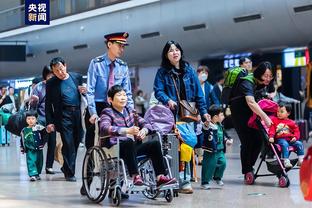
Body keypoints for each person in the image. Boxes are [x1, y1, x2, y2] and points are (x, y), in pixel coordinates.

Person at [153, 40, 210, 194]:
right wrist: (167, 100)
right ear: (166, 55)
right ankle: (177, 179)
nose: (175, 52)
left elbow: (199, 94)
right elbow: (158, 90)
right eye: (171, 50)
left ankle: (184, 179)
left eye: (177, 49)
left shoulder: (189, 71)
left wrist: (204, 112)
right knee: (173, 147)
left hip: (188, 115)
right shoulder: (162, 72)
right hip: (170, 115)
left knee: (188, 144)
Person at [99, 85, 176, 187]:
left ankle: (160, 177)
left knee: (155, 144)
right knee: (128, 142)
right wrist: (127, 131)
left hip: (132, 148)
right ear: (110, 100)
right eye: (119, 95)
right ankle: (135, 176)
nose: (123, 97)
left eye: (124, 95)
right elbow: (105, 128)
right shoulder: (107, 113)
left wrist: (144, 130)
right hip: (116, 149)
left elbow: (147, 124)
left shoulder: (131, 112)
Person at [85, 32, 133, 151]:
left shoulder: (123, 66)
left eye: (123, 46)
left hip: (115, 108)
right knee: (92, 142)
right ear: (109, 44)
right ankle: (91, 168)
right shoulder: (96, 64)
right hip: (97, 106)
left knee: (114, 141)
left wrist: (131, 111)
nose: (122, 49)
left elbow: (127, 92)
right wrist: (93, 113)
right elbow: (90, 90)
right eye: (119, 46)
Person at [230, 61, 274, 182]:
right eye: (266, 76)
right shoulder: (247, 82)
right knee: (247, 142)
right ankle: (247, 170)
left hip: (252, 113)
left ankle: (250, 166)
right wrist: (265, 116)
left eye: (270, 76)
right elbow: (250, 102)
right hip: (239, 115)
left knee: (259, 140)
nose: (268, 79)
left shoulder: (263, 84)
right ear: (259, 74)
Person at [45, 57, 86, 182]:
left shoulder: (77, 77)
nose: (59, 73)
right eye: (56, 71)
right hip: (63, 115)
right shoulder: (51, 83)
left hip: (77, 113)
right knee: (68, 144)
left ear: (65, 66)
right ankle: (70, 173)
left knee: (77, 140)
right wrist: (50, 122)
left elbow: (85, 93)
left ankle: (65, 166)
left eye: (61, 69)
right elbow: (48, 104)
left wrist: (84, 91)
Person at [30, 66, 56, 174]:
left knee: (52, 143)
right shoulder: (39, 87)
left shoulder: (57, 85)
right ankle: (36, 165)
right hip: (41, 119)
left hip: (53, 119)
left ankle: (49, 166)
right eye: (50, 75)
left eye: (53, 75)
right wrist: (34, 101)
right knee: (40, 143)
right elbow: (32, 106)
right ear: (45, 75)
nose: (52, 77)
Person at [195, 65, 220, 165]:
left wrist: (218, 110)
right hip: (195, 113)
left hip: (206, 114)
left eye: (206, 73)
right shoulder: (194, 85)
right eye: (202, 73)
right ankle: (198, 154)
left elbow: (214, 99)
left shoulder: (209, 86)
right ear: (197, 74)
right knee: (197, 134)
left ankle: (201, 155)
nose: (204, 75)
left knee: (205, 134)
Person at [268, 102, 304, 168]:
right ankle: (286, 160)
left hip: (290, 140)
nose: (279, 113)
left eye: (281, 112)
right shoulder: (274, 120)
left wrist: (295, 138)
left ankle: (300, 159)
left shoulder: (291, 122)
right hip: (280, 139)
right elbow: (272, 130)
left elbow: (297, 131)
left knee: (299, 143)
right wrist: (271, 137)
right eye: (278, 111)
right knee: (284, 144)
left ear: (288, 113)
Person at [201, 105, 229, 189]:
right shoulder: (209, 125)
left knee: (223, 163)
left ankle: (217, 177)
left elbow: (223, 134)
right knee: (209, 165)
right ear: (216, 116)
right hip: (211, 150)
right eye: (222, 115)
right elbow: (205, 127)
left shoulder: (220, 125)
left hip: (220, 149)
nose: (223, 116)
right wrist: (206, 124)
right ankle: (205, 182)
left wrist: (227, 139)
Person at [20, 110, 47, 181]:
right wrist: (22, 148)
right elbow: (22, 139)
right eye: (28, 119)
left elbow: (45, 134)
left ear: (36, 119)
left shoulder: (39, 127)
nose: (30, 121)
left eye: (33, 119)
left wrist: (43, 143)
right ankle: (32, 174)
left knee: (39, 162)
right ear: (26, 120)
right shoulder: (24, 130)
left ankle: (37, 173)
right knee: (31, 161)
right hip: (30, 149)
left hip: (38, 148)